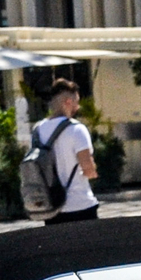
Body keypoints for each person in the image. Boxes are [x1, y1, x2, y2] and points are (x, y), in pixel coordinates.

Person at [29, 77, 100, 223]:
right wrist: (94, 171)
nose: (78, 107)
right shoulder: (77, 129)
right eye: (77, 102)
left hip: (51, 208)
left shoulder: (37, 130)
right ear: (68, 102)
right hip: (80, 205)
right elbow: (88, 169)